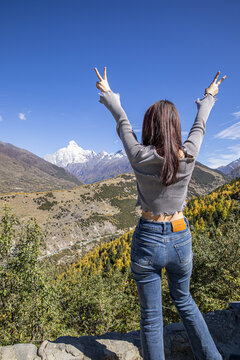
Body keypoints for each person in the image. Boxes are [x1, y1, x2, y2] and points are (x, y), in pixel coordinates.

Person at [94, 66, 226, 360]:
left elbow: (122, 123)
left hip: (147, 240)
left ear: (150, 126)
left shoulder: (140, 156)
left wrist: (108, 93)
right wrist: (209, 95)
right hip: (180, 237)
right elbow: (200, 124)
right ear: (175, 127)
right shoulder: (189, 155)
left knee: (151, 318)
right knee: (186, 301)